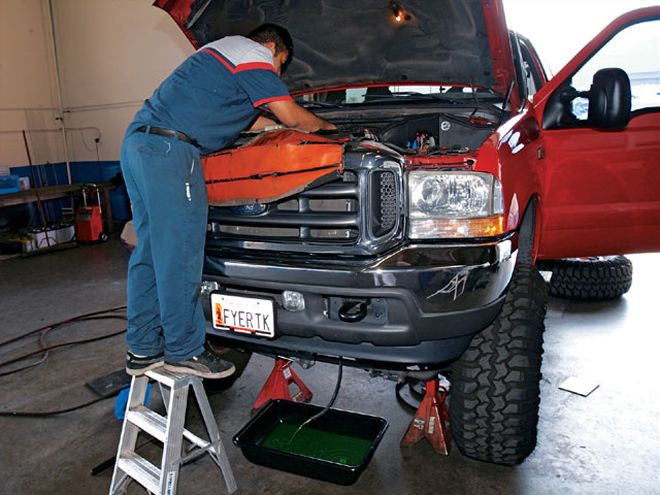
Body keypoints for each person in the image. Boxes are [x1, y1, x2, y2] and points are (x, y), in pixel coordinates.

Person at [120, 24, 335, 378]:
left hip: (140, 144)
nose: (276, 73)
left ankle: (142, 348)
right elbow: (293, 117)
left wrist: (271, 128)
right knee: (180, 253)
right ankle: (184, 350)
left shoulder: (221, 57)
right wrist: (329, 129)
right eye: (280, 65)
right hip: (173, 153)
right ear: (271, 47)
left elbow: (252, 121)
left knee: (151, 252)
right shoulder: (253, 55)